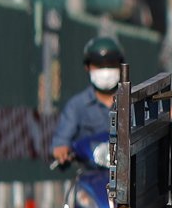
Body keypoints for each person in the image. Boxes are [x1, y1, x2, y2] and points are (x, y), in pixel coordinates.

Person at [51, 35, 125, 164]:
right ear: (87, 67)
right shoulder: (77, 105)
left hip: (129, 173)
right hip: (91, 173)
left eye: (111, 64)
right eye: (99, 65)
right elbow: (61, 141)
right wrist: (61, 150)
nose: (105, 71)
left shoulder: (134, 101)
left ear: (121, 66)